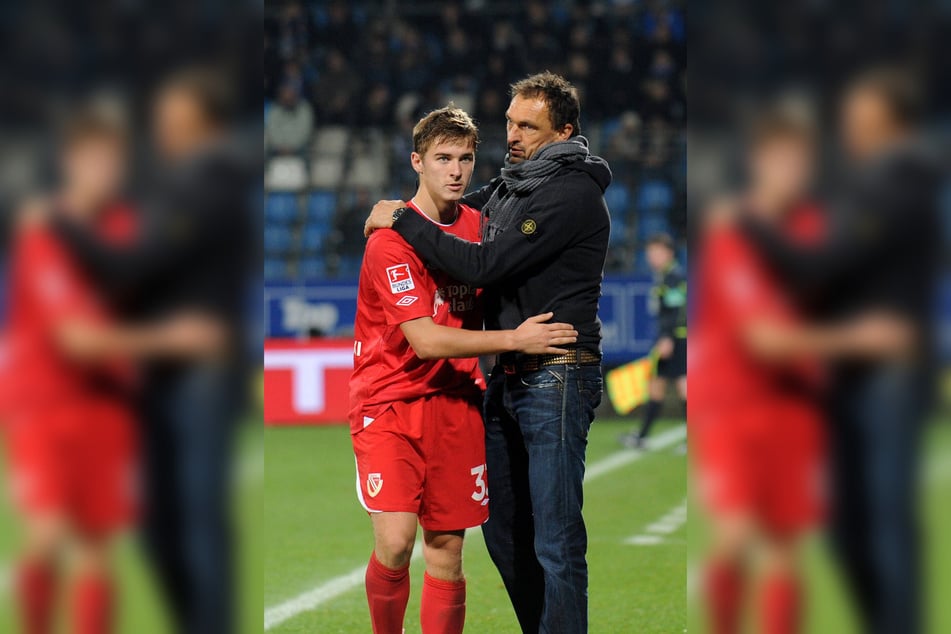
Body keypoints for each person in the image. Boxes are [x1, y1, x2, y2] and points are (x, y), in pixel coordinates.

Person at [366, 72, 610, 634]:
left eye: (529, 125)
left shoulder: (569, 192)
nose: (515, 134)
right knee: (502, 533)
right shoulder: (514, 184)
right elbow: (455, 213)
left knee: (554, 536)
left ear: (565, 131)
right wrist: (406, 214)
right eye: (510, 122)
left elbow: (483, 264)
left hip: (557, 374)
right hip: (507, 380)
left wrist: (400, 218)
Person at [692, 106, 913, 634]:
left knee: (785, 548)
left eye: (801, 160)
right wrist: (861, 338)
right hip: (733, 406)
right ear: (759, 162)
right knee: (737, 536)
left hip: (796, 408)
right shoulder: (733, 236)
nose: (793, 170)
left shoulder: (814, 229)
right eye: (782, 159)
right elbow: (765, 341)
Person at [51, 68, 255, 634]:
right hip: (169, 371)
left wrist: (65, 222)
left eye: (171, 115)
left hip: (198, 377)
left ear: (200, 121)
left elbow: (135, 264)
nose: (161, 126)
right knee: (164, 521)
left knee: (194, 521)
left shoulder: (208, 181)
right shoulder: (182, 183)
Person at [1, 105, 218, 634]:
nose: (105, 172)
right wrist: (172, 339)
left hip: (108, 406)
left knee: (97, 549)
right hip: (41, 403)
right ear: (71, 163)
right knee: (50, 535)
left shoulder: (124, 229)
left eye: (112, 161)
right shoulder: (45, 234)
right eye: (94, 160)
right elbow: (77, 341)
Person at [740, 69, 941, 634]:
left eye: (859, 111)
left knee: (882, 519)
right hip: (855, 369)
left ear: (886, 119)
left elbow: (823, 264)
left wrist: (754, 220)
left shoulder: (898, 179)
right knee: (852, 521)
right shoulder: (872, 181)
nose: (848, 122)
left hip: (887, 374)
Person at [620, 232, 687, 449]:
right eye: (650, 253)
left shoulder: (674, 276)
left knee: (685, 386)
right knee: (656, 384)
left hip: (678, 338)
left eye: (657, 252)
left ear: (669, 253)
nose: (652, 257)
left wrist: (667, 337)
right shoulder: (665, 275)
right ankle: (642, 435)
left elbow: (677, 309)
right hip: (669, 337)